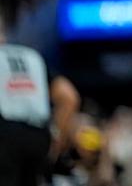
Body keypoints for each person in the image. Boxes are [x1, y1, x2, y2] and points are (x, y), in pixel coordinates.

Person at [0, 19, 80, 186]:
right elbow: (69, 97)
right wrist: (56, 137)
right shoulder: (32, 57)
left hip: (4, 136)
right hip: (38, 136)